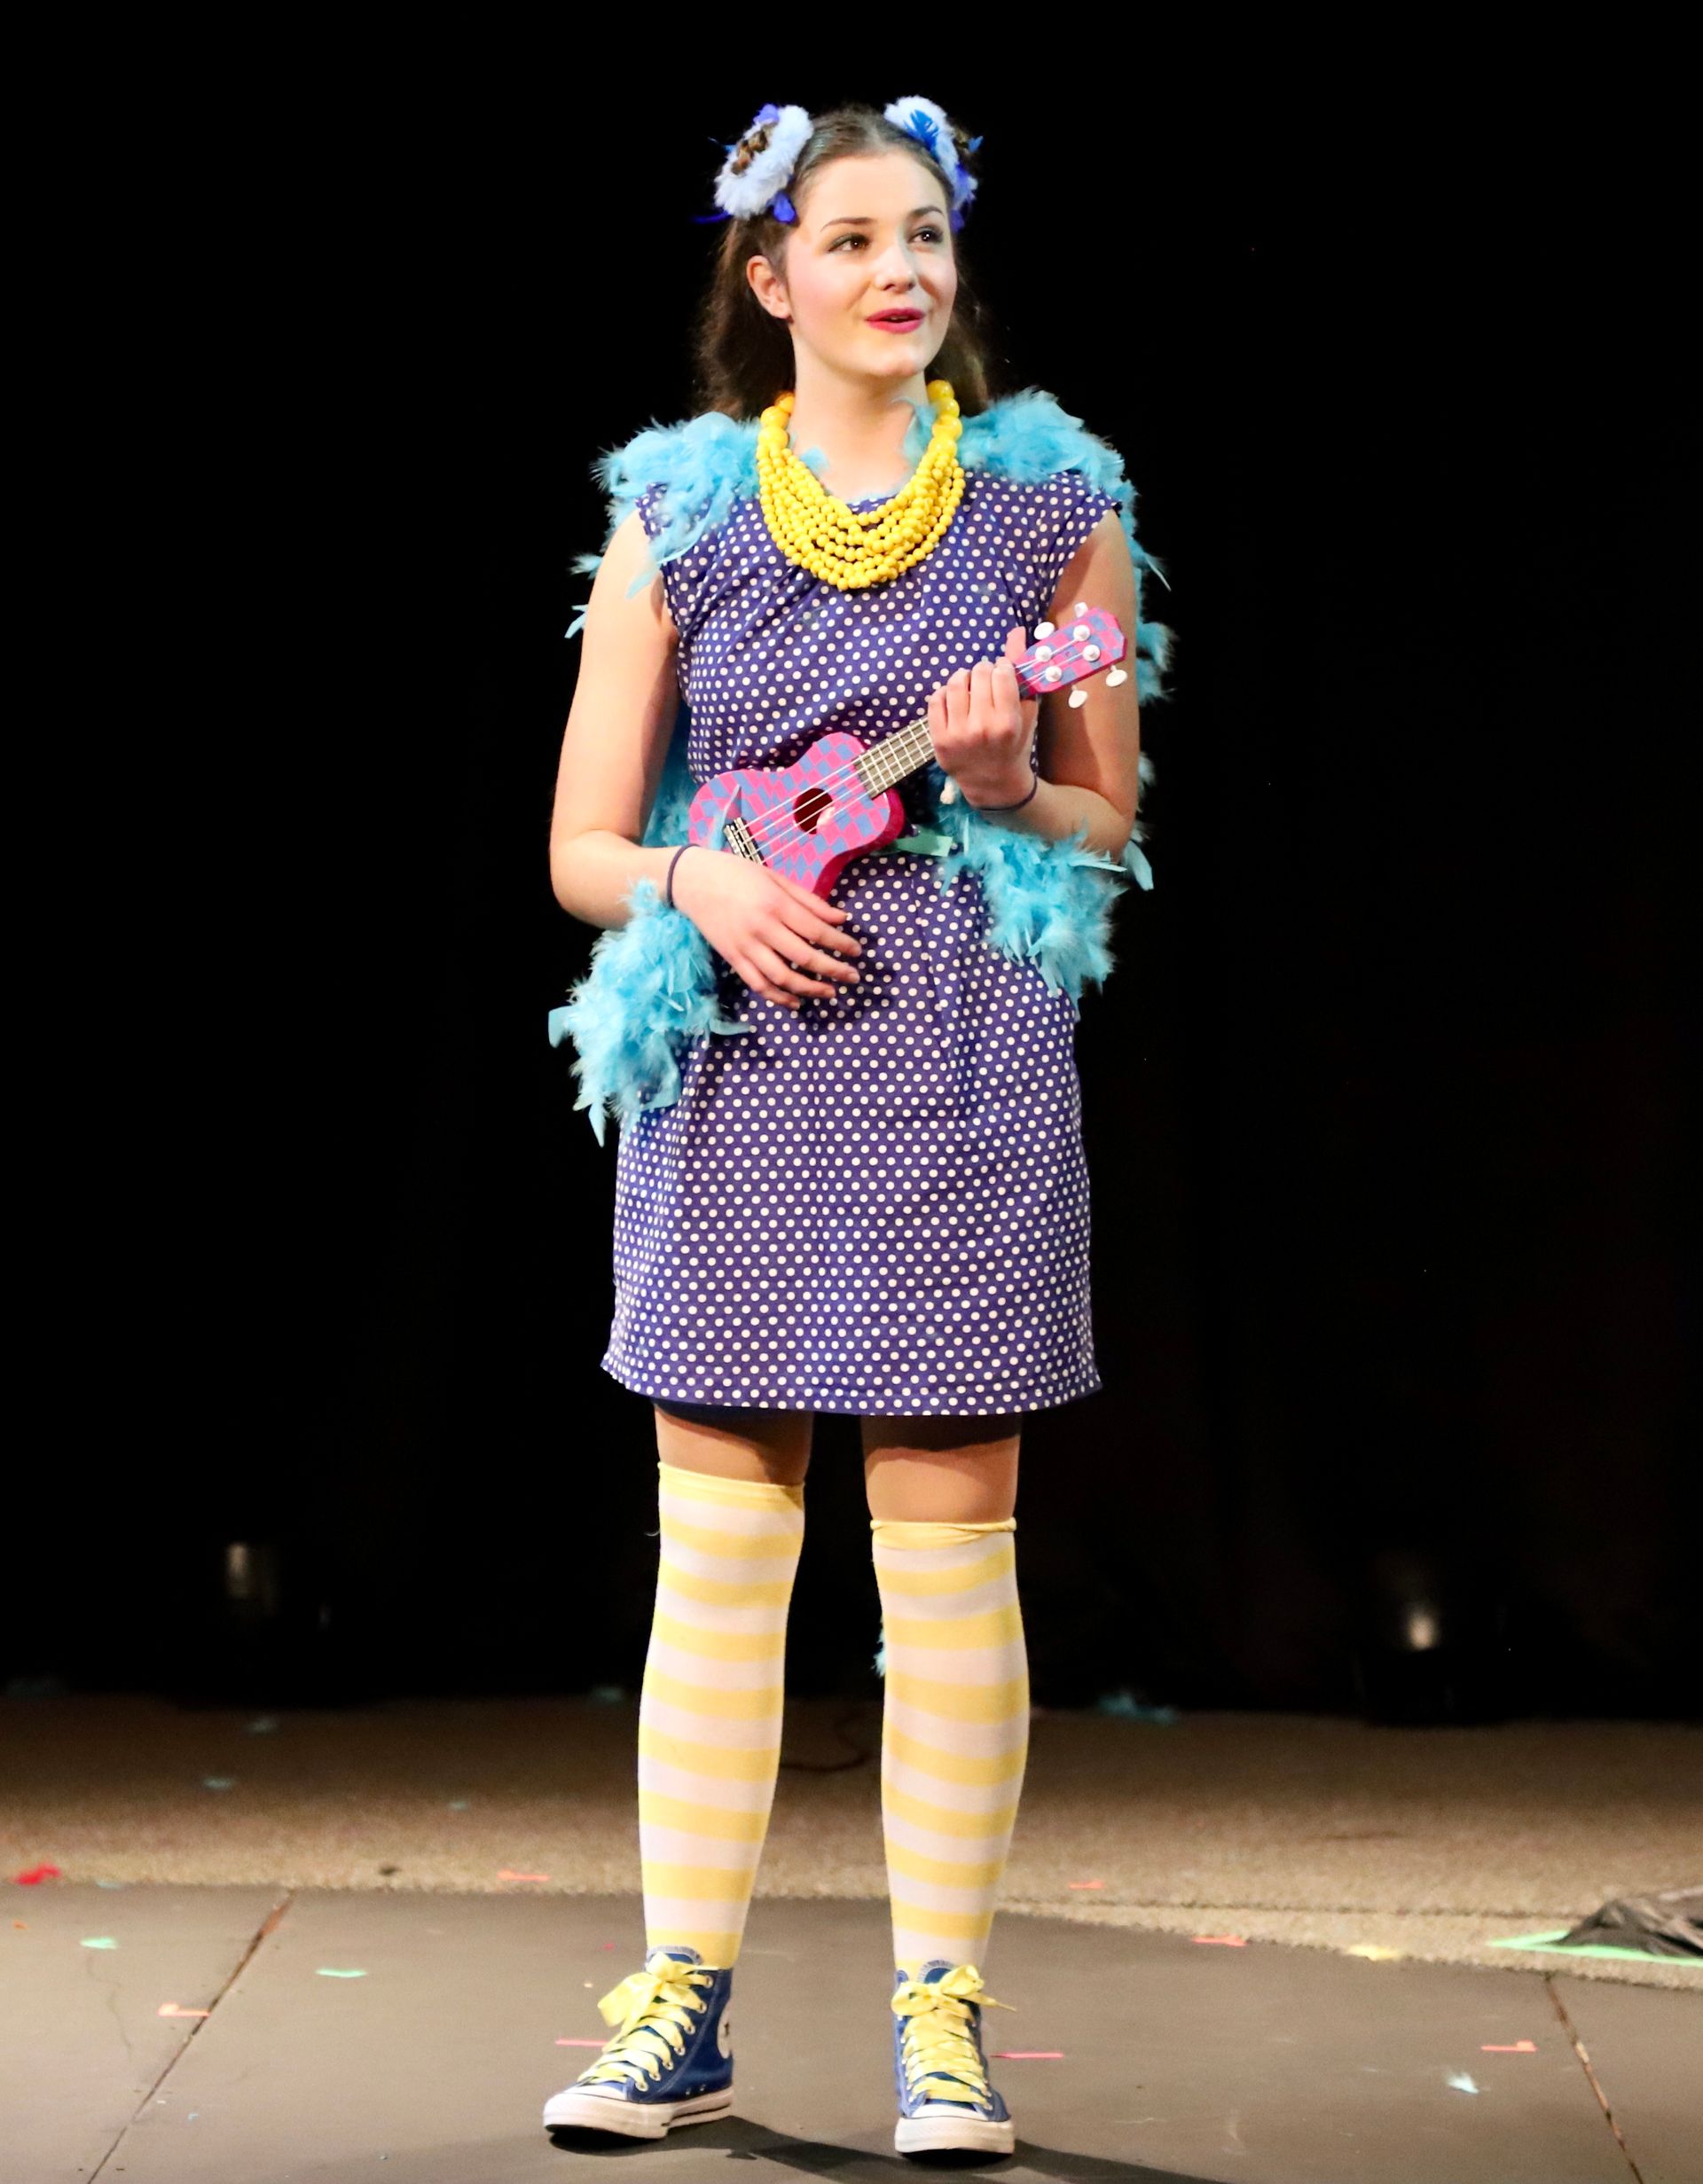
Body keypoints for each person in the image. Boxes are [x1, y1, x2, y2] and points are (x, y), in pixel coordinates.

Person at [542, 96, 1168, 2159]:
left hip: (960, 1071)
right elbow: (576, 847)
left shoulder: (1054, 512)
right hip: (739, 1064)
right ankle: (681, 2005)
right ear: (771, 273)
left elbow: (1107, 819)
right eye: (855, 238)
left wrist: (998, 786)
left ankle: (944, 2023)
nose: (901, 270)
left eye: (927, 236)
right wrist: (695, 877)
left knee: (946, 1559)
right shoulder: (682, 512)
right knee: (716, 1556)